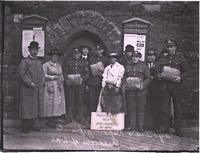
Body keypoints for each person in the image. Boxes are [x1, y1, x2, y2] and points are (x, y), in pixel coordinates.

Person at [154, 39, 189, 136]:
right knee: (164, 108)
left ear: (175, 47)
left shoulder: (181, 59)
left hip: (176, 86)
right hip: (165, 86)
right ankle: (164, 127)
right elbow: (156, 71)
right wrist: (158, 76)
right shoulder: (162, 59)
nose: (169, 48)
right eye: (168, 47)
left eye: (171, 46)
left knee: (178, 108)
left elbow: (186, 72)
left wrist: (180, 78)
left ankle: (178, 129)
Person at [19, 41, 45, 133]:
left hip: (37, 89)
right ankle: (25, 127)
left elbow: (42, 74)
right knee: (27, 108)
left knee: (35, 107)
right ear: (29, 50)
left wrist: (42, 83)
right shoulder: (24, 61)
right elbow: (22, 74)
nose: (35, 52)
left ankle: (34, 125)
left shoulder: (39, 62)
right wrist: (30, 83)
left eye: (36, 50)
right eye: (33, 50)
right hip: (28, 89)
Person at [123, 51, 151, 132]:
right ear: (131, 58)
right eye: (133, 57)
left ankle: (140, 127)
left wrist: (143, 85)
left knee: (140, 109)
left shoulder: (144, 66)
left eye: (136, 57)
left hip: (141, 91)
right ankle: (131, 126)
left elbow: (148, 78)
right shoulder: (128, 66)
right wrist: (124, 83)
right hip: (130, 91)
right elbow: (124, 77)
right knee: (131, 108)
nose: (135, 58)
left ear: (139, 58)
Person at [41, 48, 66, 128]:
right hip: (50, 85)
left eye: (56, 56)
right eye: (53, 56)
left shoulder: (58, 65)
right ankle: (49, 120)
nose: (55, 57)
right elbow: (43, 75)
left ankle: (54, 119)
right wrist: (52, 77)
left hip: (58, 86)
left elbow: (60, 74)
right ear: (50, 57)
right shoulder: (46, 65)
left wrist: (62, 78)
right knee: (50, 103)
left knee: (56, 103)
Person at [64, 48, 89, 126]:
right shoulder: (69, 62)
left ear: (80, 54)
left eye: (77, 53)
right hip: (70, 85)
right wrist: (67, 79)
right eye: (75, 53)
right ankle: (69, 117)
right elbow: (64, 72)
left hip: (80, 85)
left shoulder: (84, 62)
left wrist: (83, 79)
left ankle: (81, 117)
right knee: (70, 100)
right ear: (73, 54)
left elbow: (87, 73)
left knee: (80, 100)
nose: (76, 55)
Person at [87, 45, 109, 118]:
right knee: (91, 99)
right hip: (92, 82)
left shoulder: (105, 60)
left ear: (102, 50)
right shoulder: (91, 59)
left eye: (99, 50)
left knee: (99, 100)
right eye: (97, 50)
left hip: (100, 82)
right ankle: (91, 116)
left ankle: (99, 117)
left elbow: (107, 71)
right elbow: (89, 72)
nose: (98, 51)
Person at [144, 48, 161, 130]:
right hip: (145, 88)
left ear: (155, 56)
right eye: (149, 55)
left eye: (152, 56)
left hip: (156, 88)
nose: (150, 57)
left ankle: (156, 125)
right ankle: (147, 125)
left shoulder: (158, 65)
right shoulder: (143, 64)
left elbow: (161, 75)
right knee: (146, 106)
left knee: (156, 107)